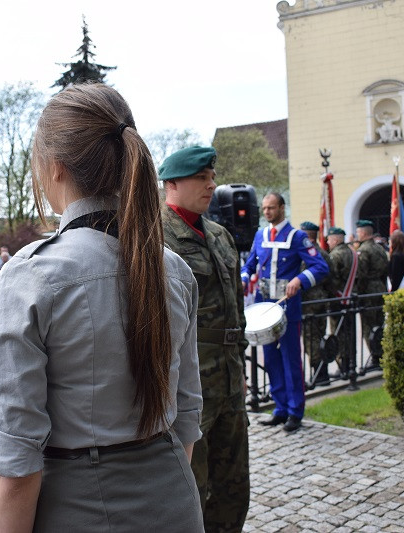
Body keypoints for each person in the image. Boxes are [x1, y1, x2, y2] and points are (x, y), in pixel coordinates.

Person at [0, 83, 204, 532]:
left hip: (79, 505)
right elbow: (186, 415)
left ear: (54, 166)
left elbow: (16, 461)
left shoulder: (31, 276)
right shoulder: (175, 269)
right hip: (174, 497)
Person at [159, 145, 249, 531]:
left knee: (234, 486)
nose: (211, 185)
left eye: (212, 177)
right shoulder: (155, 235)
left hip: (228, 380)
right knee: (190, 487)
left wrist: (241, 367)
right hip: (188, 385)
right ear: (172, 183)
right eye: (201, 178)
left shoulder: (220, 235)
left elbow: (236, 309)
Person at [241, 193, 329, 432]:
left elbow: (320, 267)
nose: (267, 212)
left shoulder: (297, 237)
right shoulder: (260, 235)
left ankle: (295, 411)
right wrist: (244, 277)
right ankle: (279, 409)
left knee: (291, 360)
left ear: (282, 208)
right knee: (270, 359)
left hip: (288, 308)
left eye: (271, 208)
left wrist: (299, 280)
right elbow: (250, 264)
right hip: (264, 306)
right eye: (264, 208)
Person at [299, 221, 333, 386]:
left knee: (310, 339)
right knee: (320, 335)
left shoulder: (305, 254)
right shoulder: (324, 253)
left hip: (308, 302)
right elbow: (330, 277)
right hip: (322, 299)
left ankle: (319, 373)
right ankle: (323, 370)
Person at [354, 220, 389, 369]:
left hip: (368, 290)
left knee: (368, 326)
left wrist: (359, 292)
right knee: (379, 323)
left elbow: (361, 274)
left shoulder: (364, 250)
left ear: (363, 233)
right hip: (380, 287)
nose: (357, 234)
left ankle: (375, 357)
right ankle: (382, 354)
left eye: (358, 232)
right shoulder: (379, 248)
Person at [326, 227, 358, 377]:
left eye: (329, 239)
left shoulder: (335, 255)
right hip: (350, 296)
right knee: (350, 332)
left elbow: (331, 278)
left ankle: (343, 366)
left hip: (339, 298)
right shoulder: (352, 252)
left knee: (338, 333)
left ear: (336, 240)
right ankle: (351, 363)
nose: (327, 242)